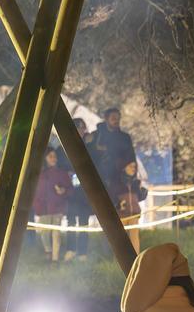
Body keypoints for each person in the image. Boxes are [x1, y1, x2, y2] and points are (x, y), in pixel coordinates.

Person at [32, 148, 71, 264]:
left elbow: (70, 189)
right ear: (45, 159)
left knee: (56, 233)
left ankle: (55, 258)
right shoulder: (40, 175)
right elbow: (35, 191)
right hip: (43, 208)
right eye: (50, 156)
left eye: (54, 156)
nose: (53, 158)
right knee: (45, 232)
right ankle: (48, 251)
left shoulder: (62, 173)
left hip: (58, 207)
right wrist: (37, 205)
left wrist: (63, 190)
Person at [64, 118, 92, 261]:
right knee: (70, 222)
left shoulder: (89, 146)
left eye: (83, 128)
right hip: (71, 191)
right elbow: (62, 163)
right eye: (78, 128)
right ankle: (70, 250)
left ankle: (82, 252)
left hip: (84, 192)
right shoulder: (65, 145)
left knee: (83, 222)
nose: (81, 131)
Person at [89, 107, 136, 192]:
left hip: (119, 180)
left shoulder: (125, 138)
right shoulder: (96, 137)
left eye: (118, 118)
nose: (116, 121)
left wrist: (130, 176)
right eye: (113, 118)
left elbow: (131, 158)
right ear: (107, 119)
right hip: (99, 179)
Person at [109, 161, 147, 252]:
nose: (133, 168)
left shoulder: (136, 182)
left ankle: (135, 259)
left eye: (134, 167)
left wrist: (143, 193)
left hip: (134, 213)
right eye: (130, 166)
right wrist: (118, 204)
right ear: (124, 167)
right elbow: (112, 196)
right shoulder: (117, 182)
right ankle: (122, 259)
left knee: (134, 237)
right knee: (122, 238)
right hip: (122, 214)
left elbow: (137, 197)